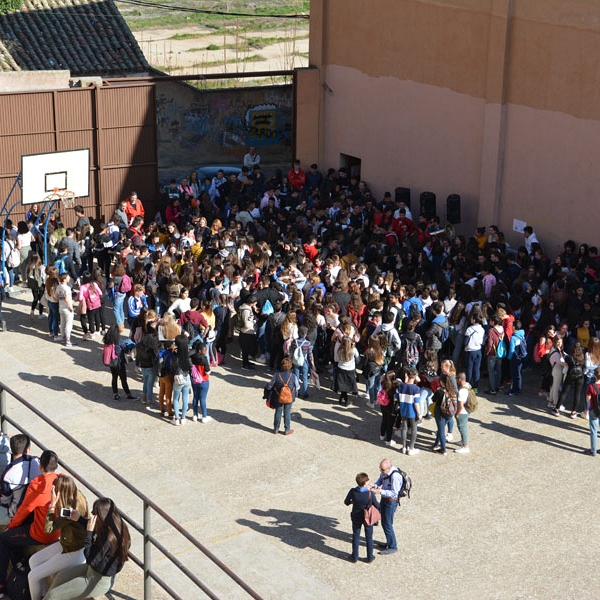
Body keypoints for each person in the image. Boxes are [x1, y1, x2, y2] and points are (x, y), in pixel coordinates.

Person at [44, 498, 131, 600]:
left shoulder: (108, 539)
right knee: (61, 576)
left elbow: (90, 559)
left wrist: (89, 534)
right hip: (91, 570)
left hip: (97, 580)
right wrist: (79, 518)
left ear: (101, 516)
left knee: (52, 596)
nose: (92, 514)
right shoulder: (115, 525)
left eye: (94, 513)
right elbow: (95, 526)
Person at [0, 450, 60, 597]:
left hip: (41, 534)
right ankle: (19, 565)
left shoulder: (37, 485)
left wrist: (11, 526)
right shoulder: (61, 481)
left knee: (4, 538)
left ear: (40, 466)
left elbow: (24, 510)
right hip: (57, 532)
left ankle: (2, 582)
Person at [28, 475, 89, 600]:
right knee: (33, 561)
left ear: (59, 492)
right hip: (67, 543)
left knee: (32, 576)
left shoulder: (69, 512)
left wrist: (52, 505)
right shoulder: (77, 496)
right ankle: (43, 595)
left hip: (74, 552)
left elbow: (48, 529)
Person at [0, 434, 41, 518]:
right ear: (27, 449)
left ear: (11, 449)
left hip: (17, 513)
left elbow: (5, 501)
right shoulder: (38, 462)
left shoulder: (8, 473)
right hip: (37, 509)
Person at [344, 472, 379, 563]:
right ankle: (370, 557)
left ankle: (354, 557)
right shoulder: (370, 494)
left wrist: (353, 502)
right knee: (369, 537)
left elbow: (346, 502)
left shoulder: (353, 491)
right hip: (368, 517)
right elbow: (377, 505)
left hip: (356, 516)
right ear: (365, 483)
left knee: (356, 536)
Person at [371, 458, 402, 555]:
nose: (381, 471)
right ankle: (389, 542)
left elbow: (394, 493)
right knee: (385, 522)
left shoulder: (395, 476)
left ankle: (393, 546)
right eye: (380, 469)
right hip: (384, 499)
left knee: (387, 524)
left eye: (383, 470)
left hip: (391, 502)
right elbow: (380, 481)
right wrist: (374, 486)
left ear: (389, 468)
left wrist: (381, 491)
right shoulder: (384, 473)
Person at [266, 358, 299, 435]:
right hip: (289, 397)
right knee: (287, 412)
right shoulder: (293, 376)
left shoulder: (277, 375)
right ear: (291, 366)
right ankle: (287, 429)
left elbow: (270, 385)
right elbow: (297, 387)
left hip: (278, 396)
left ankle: (276, 428)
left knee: (278, 411)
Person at [103, 326, 137, 401]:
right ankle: (128, 394)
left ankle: (116, 394)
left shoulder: (107, 340)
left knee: (114, 377)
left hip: (111, 362)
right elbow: (125, 349)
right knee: (123, 379)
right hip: (119, 362)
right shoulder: (119, 341)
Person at [396, 368, 422, 455]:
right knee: (414, 429)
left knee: (404, 428)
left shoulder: (401, 386)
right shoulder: (416, 388)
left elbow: (395, 398)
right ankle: (411, 448)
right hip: (413, 412)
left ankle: (403, 447)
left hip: (403, 410)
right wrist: (419, 413)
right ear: (414, 377)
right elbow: (416, 403)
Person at [171, 334, 192, 426]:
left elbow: (172, 368)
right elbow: (191, 367)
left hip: (178, 378)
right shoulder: (188, 357)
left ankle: (176, 418)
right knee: (185, 398)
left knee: (176, 398)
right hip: (187, 378)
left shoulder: (175, 358)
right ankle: (183, 417)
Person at [288, 326, 314, 399]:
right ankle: (305, 392)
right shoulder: (307, 343)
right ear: (305, 334)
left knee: (296, 376)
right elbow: (310, 355)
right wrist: (312, 364)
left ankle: (296, 392)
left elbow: (291, 350)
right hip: (304, 361)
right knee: (305, 377)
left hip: (296, 361)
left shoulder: (294, 341)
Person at [190, 342, 212, 423]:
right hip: (203, 381)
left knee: (195, 397)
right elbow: (207, 371)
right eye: (204, 350)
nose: (205, 351)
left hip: (194, 380)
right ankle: (204, 416)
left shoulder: (192, 357)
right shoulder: (204, 359)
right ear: (200, 350)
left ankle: (195, 415)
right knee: (202, 399)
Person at [56, 272, 75, 347]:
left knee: (62, 322)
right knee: (68, 324)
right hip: (67, 308)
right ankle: (68, 340)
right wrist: (70, 307)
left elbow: (56, 296)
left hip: (61, 307)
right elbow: (67, 299)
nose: (69, 278)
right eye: (67, 277)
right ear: (64, 279)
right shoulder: (67, 288)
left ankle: (62, 336)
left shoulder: (58, 287)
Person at [584, 367, 600, 456]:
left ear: (595, 375)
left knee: (594, 430)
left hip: (594, 409)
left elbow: (588, 399)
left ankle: (593, 450)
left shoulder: (591, 386)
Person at [455, 372, 472, 454]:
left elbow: (460, 405)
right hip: (467, 410)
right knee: (462, 427)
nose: (456, 380)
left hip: (463, 412)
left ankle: (465, 446)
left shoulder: (462, 391)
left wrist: (457, 414)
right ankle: (463, 441)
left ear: (460, 379)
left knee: (462, 428)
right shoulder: (468, 385)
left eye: (457, 378)